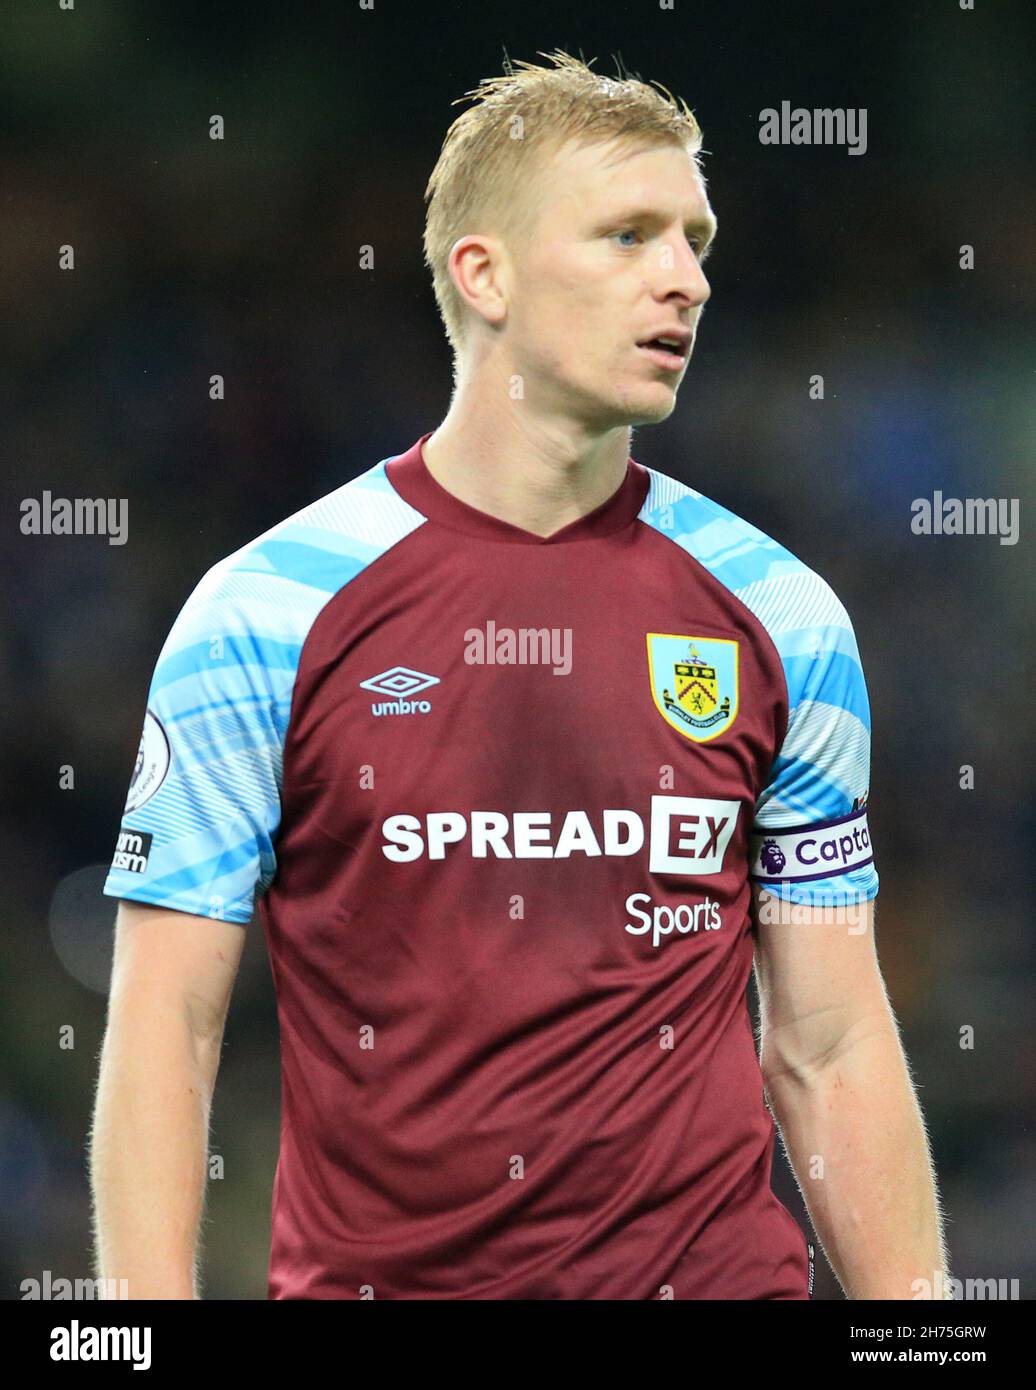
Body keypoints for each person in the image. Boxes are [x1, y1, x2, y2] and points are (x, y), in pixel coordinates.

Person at [91, 49, 948, 1300]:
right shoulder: (262, 614)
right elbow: (168, 1028)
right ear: (480, 274)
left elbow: (826, 1036)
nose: (686, 279)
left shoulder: (782, 614)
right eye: (627, 235)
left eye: (695, 239)